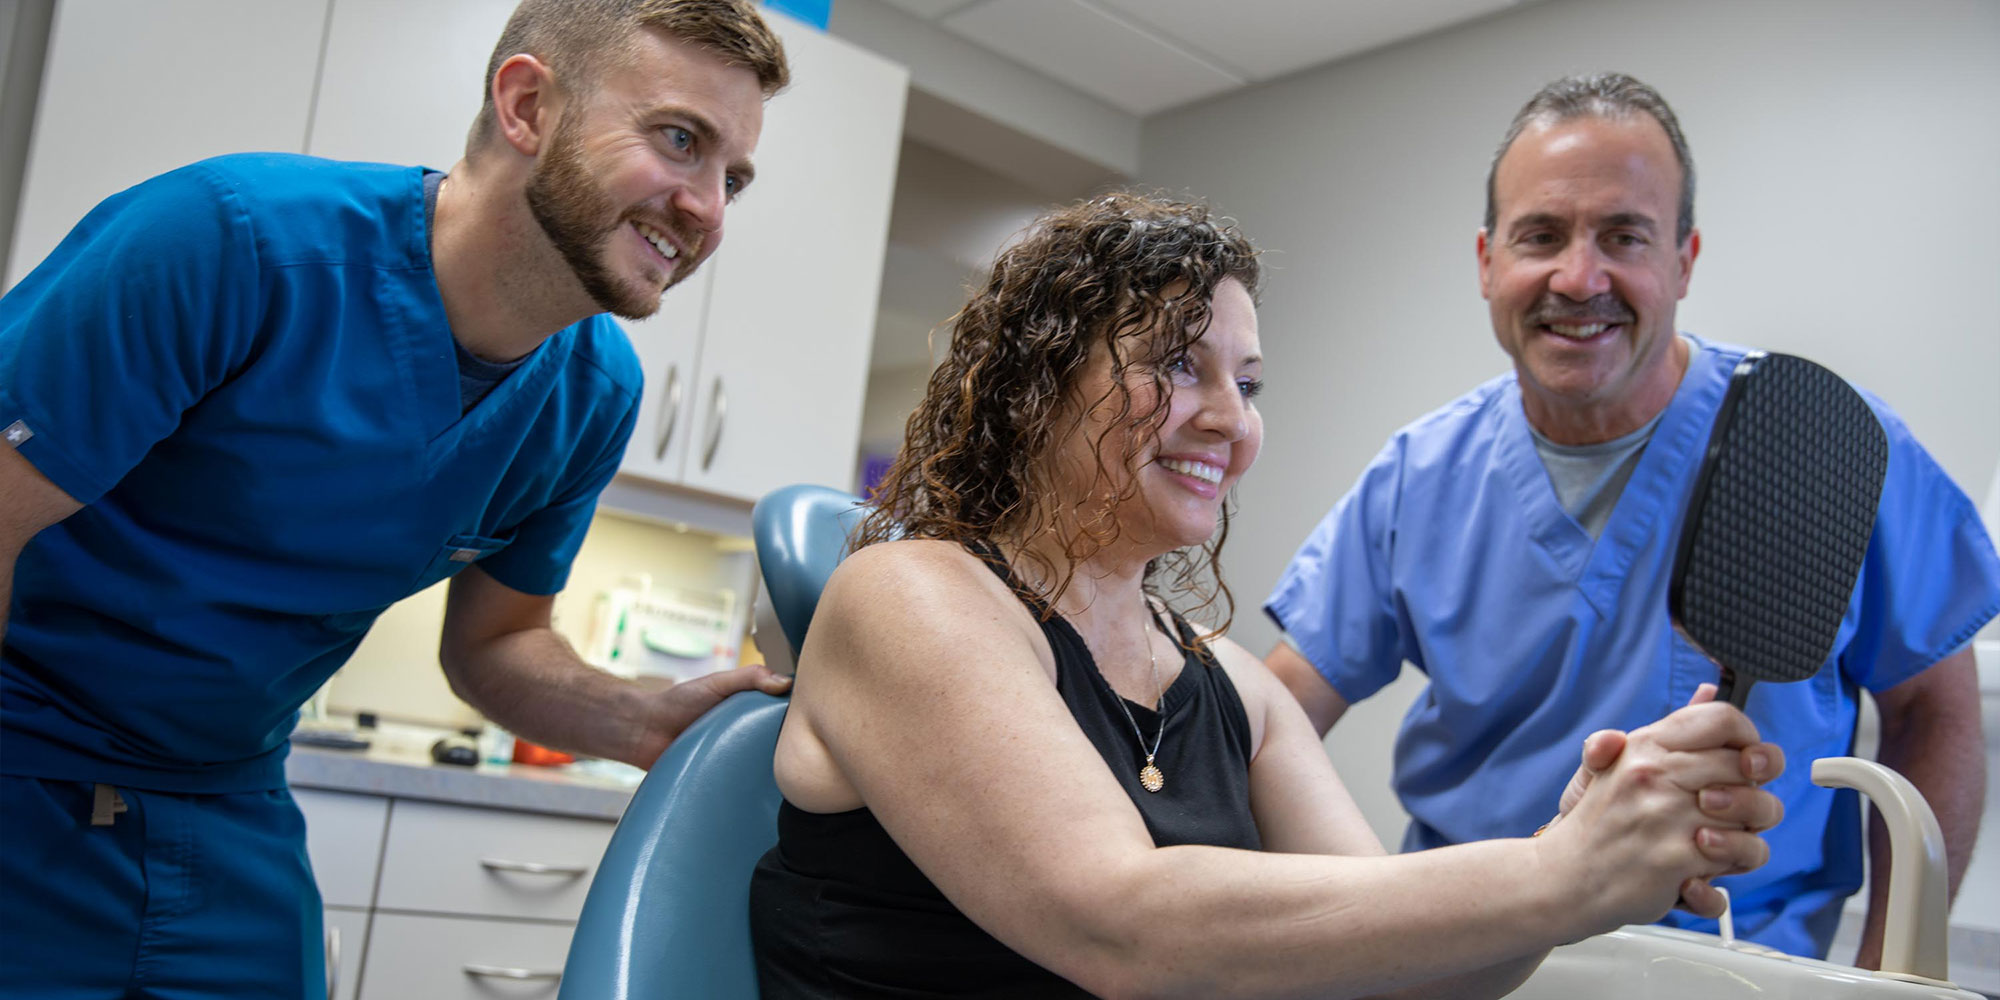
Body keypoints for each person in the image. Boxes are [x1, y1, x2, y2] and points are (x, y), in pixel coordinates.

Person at [750, 192, 1785, 999]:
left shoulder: (1237, 692)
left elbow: (1397, 971)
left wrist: (1580, 863)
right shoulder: (911, 597)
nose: (1228, 420)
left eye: (1246, 384)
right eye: (1176, 366)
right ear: (1035, 384)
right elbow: (1121, 923)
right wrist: (1553, 873)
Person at [0, 1, 792, 994]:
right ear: (526, 104)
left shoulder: (592, 395)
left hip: (226, 800)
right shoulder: (230, 244)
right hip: (19, 760)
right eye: (680, 140)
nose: (709, 209)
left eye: (735, 179)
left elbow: (496, 644)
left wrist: (642, 720)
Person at [1264, 72, 2000, 964]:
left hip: (1742, 967)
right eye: (1541, 236)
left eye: (1625, 236)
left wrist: (1895, 972)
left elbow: (1936, 714)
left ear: (1683, 260)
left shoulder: (1827, 443)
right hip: (1464, 953)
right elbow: (1276, 716)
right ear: (1488, 260)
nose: (1580, 278)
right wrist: (1347, 920)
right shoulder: (1418, 476)